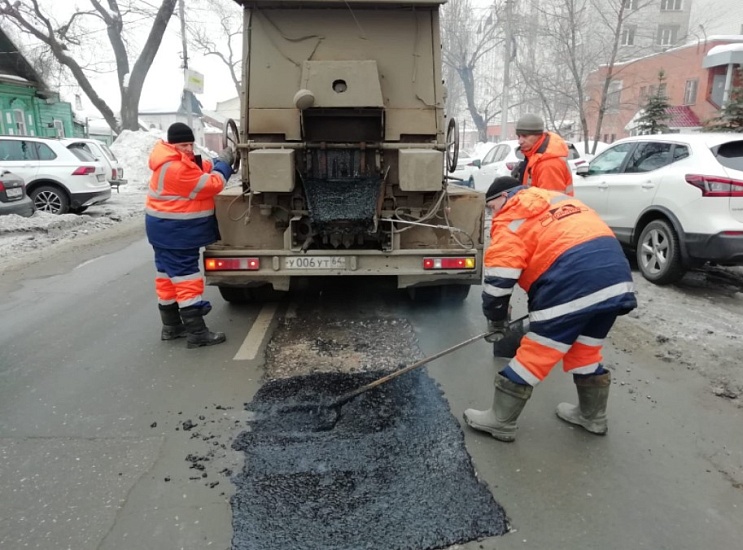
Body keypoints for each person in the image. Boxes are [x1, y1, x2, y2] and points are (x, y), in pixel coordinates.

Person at [463, 176, 637, 441]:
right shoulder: (554, 200)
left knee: (536, 352)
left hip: (572, 282)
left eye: (491, 207)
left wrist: (496, 319)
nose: (492, 213)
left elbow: (499, 282)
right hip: (616, 280)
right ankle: (592, 417)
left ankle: (500, 421)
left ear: (504, 197)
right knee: (585, 348)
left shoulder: (511, 217)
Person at [145, 122, 235, 349]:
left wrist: (215, 162)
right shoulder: (175, 169)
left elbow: (202, 166)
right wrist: (224, 165)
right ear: (172, 144)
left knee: (166, 278)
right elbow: (212, 184)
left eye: (190, 144)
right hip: (177, 232)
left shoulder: (171, 160)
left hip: (164, 230)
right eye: (183, 144)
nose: (188, 148)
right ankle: (197, 333)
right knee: (187, 280)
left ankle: (172, 327)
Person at [511, 114, 574, 195]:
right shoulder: (535, 157)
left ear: (538, 135)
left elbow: (550, 203)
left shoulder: (548, 164)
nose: (520, 141)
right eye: (519, 136)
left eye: (525, 136)